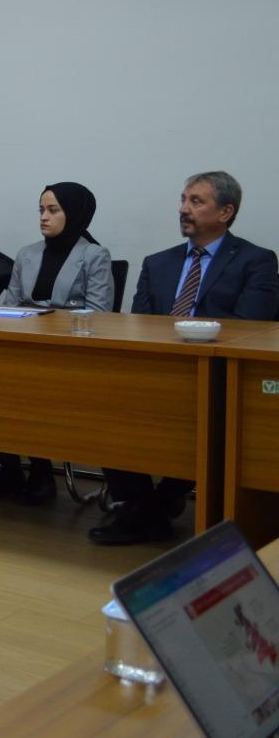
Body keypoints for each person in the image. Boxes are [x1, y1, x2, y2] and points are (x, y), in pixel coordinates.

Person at [90, 171, 279, 545]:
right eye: (183, 200)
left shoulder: (255, 261)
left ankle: (154, 507)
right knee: (106, 400)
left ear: (225, 212)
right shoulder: (158, 262)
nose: (183, 209)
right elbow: (140, 325)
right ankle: (146, 508)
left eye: (196, 201)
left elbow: (251, 329)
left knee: (208, 414)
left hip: (219, 375)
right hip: (159, 370)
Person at [0, 182, 113, 504]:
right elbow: (9, 305)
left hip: (67, 352)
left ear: (75, 214)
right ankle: (10, 469)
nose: (44, 217)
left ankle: (41, 473)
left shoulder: (94, 255)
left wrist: (45, 317)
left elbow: (99, 314)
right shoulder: (27, 253)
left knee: (29, 387)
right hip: (24, 346)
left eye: (53, 210)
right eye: (41, 210)